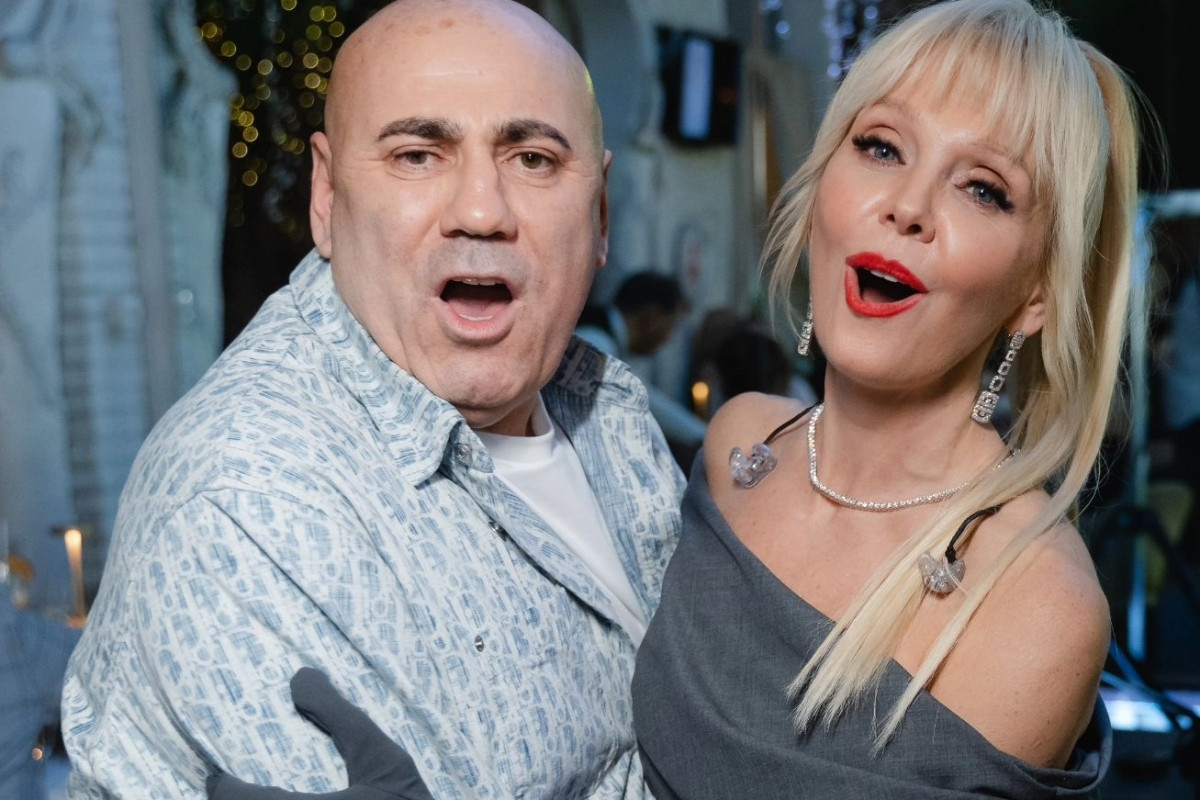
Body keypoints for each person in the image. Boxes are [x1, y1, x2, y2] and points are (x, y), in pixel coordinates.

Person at [210, 1, 1140, 798]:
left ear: (1036, 291)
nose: (908, 206)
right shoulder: (741, 450)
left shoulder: (1036, 605)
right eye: (881, 146)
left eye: (983, 190)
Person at [60, 0, 683, 796]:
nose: (481, 211)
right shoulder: (246, 502)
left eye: (532, 159)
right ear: (326, 197)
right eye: (418, 155)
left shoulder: (611, 414)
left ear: (598, 212)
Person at [576, 271, 707, 462]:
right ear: (650, 317)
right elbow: (641, 399)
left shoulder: (604, 341)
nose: (667, 339)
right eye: (671, 325)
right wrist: (707, 436)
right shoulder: (597, 343)